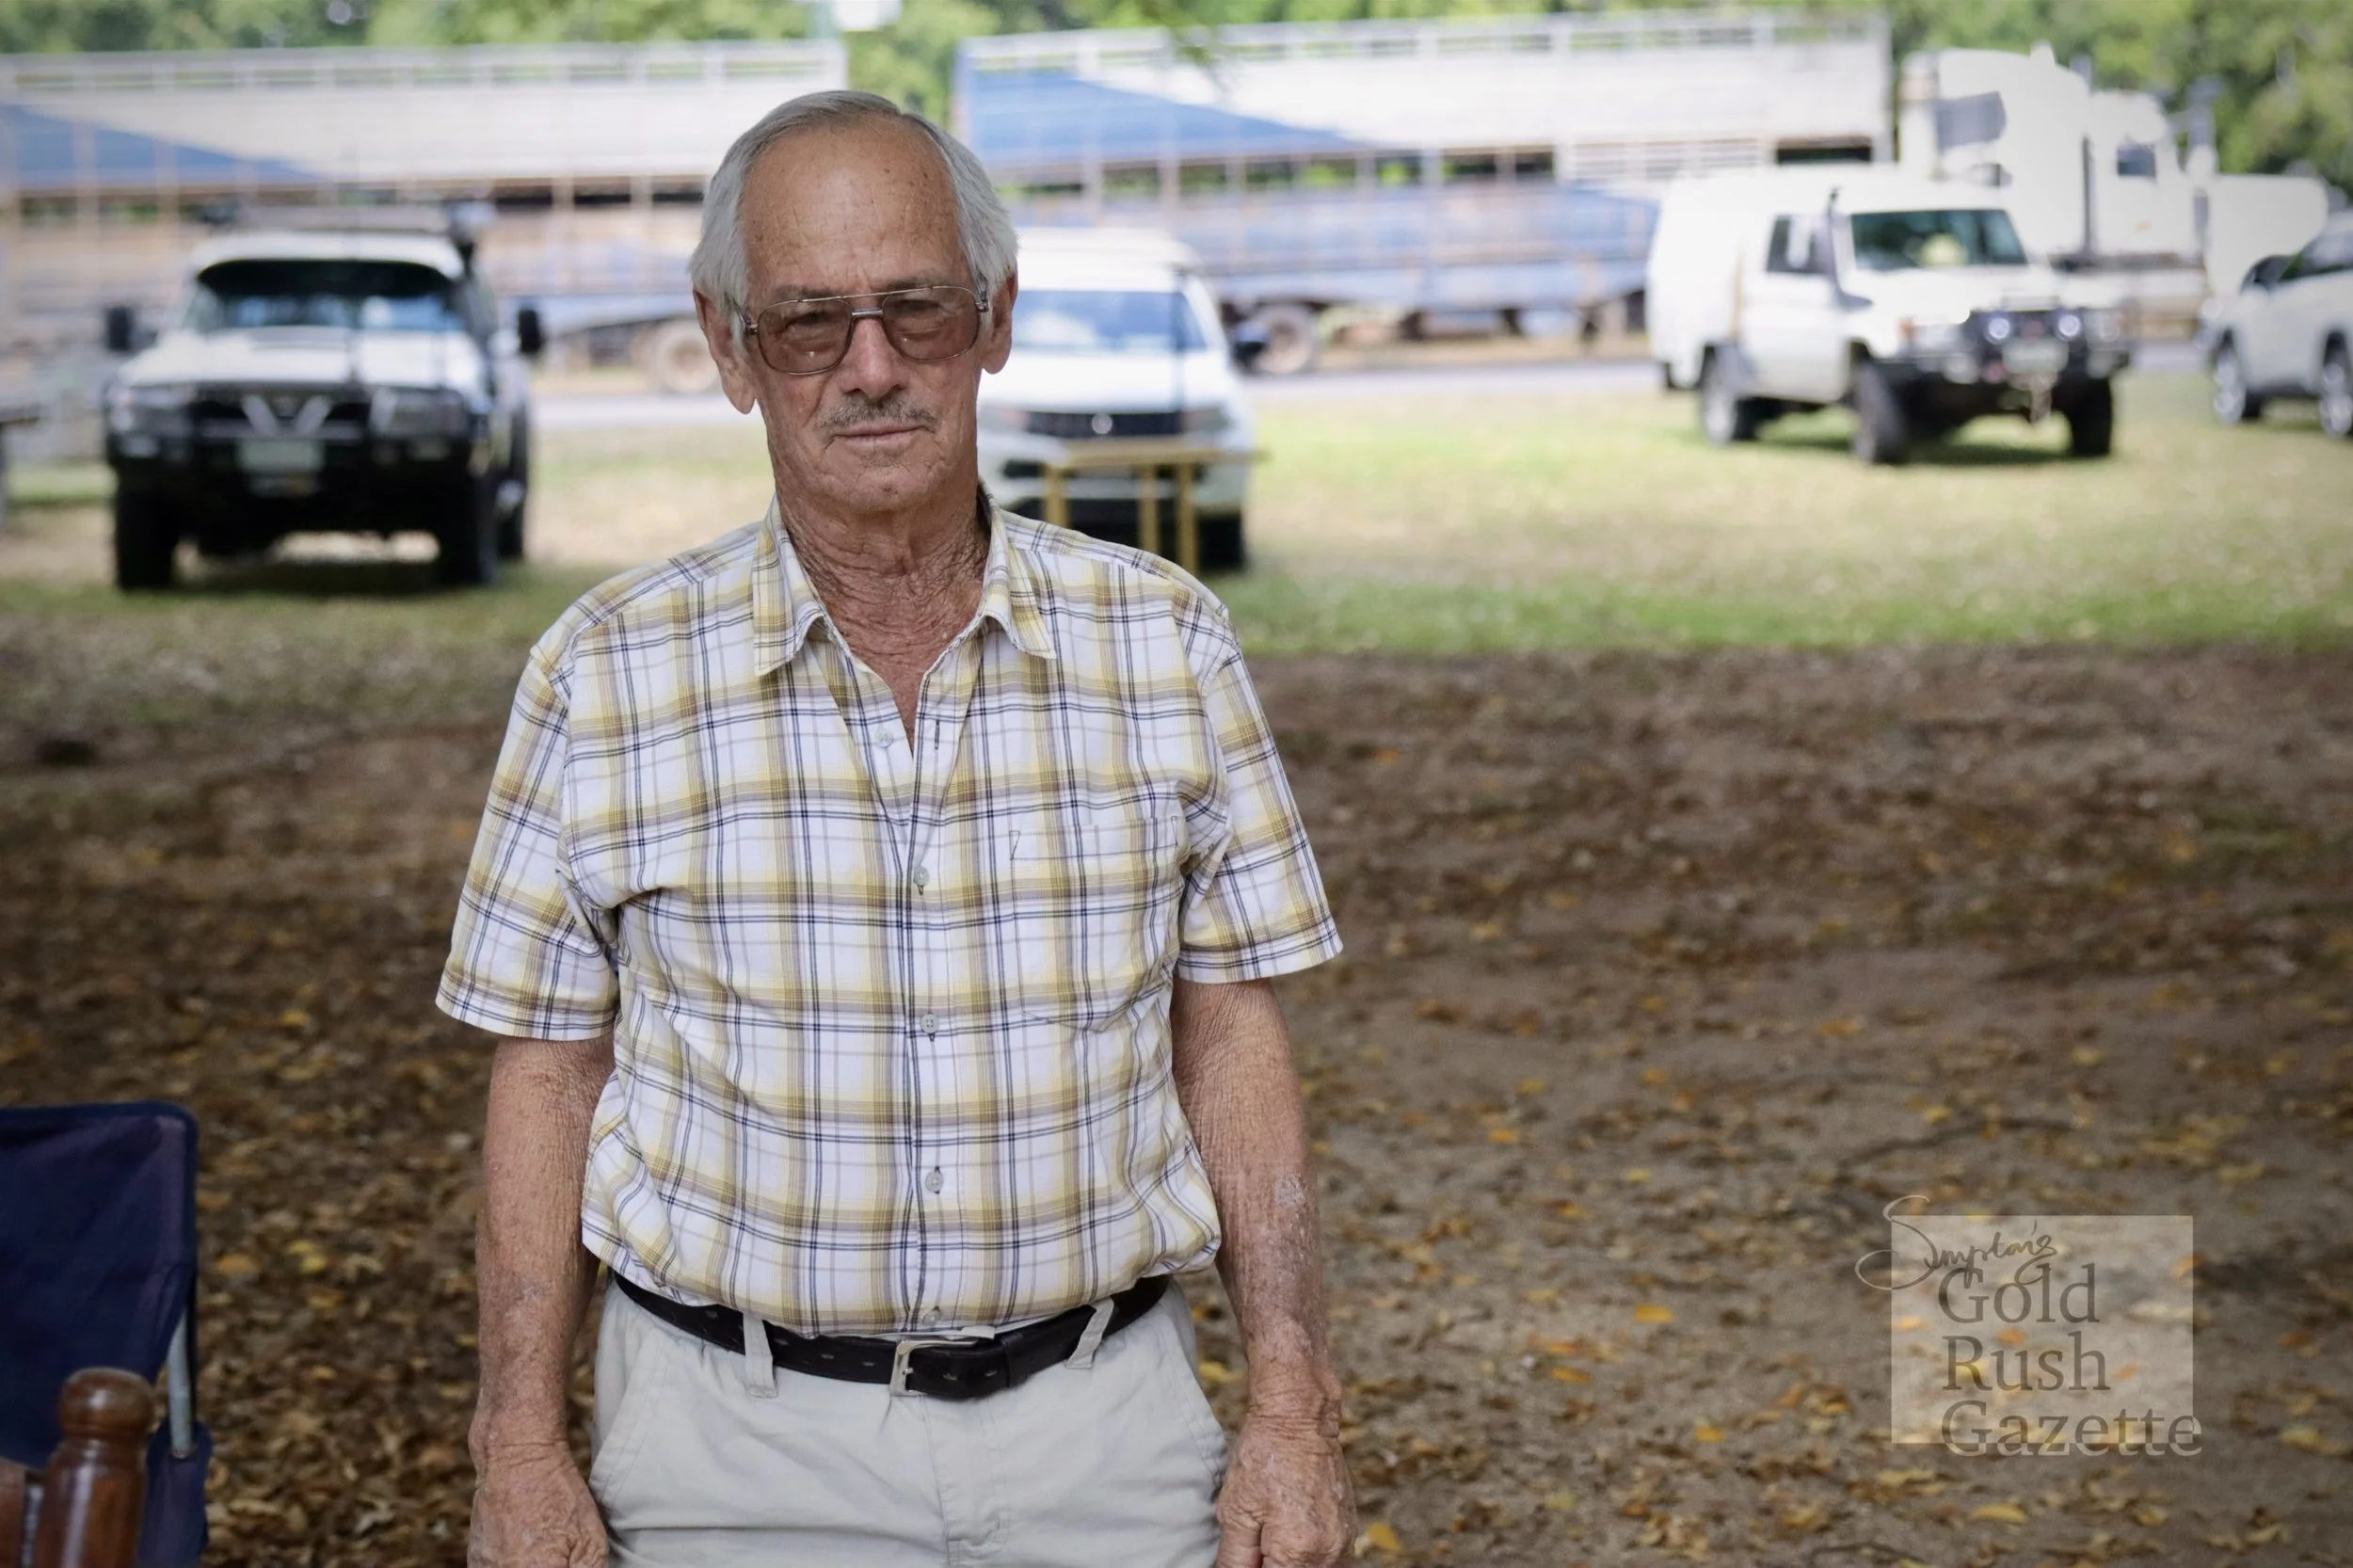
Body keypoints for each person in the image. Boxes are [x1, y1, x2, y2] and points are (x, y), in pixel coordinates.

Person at [438, 89, 1353, 1568]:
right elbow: (548, 1073)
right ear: (731, 347)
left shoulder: (1166, 644)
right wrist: (518, 1445)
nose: (871, 368)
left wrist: (1295, 1409)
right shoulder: (601, 671)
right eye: (810, 324)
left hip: (1111, 1433)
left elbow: (1230, 1034)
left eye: (915, 311)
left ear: (994, 318)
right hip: (725, 1456)